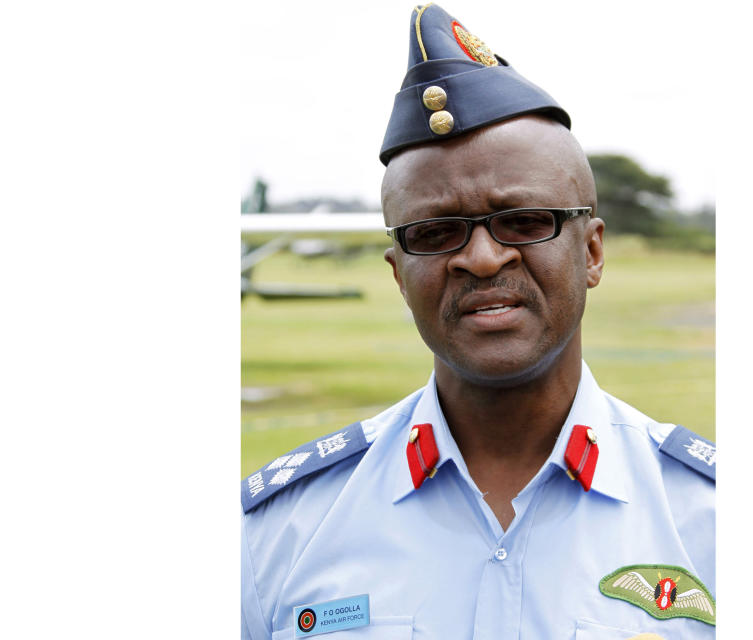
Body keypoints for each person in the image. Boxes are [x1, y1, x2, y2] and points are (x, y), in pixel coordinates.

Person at [241, 5, 715, 639]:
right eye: (435, 233)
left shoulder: (709, 521)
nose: (483, 257)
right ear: (397, 274)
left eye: (524, 221)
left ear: (593, 251)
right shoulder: (281, 530)